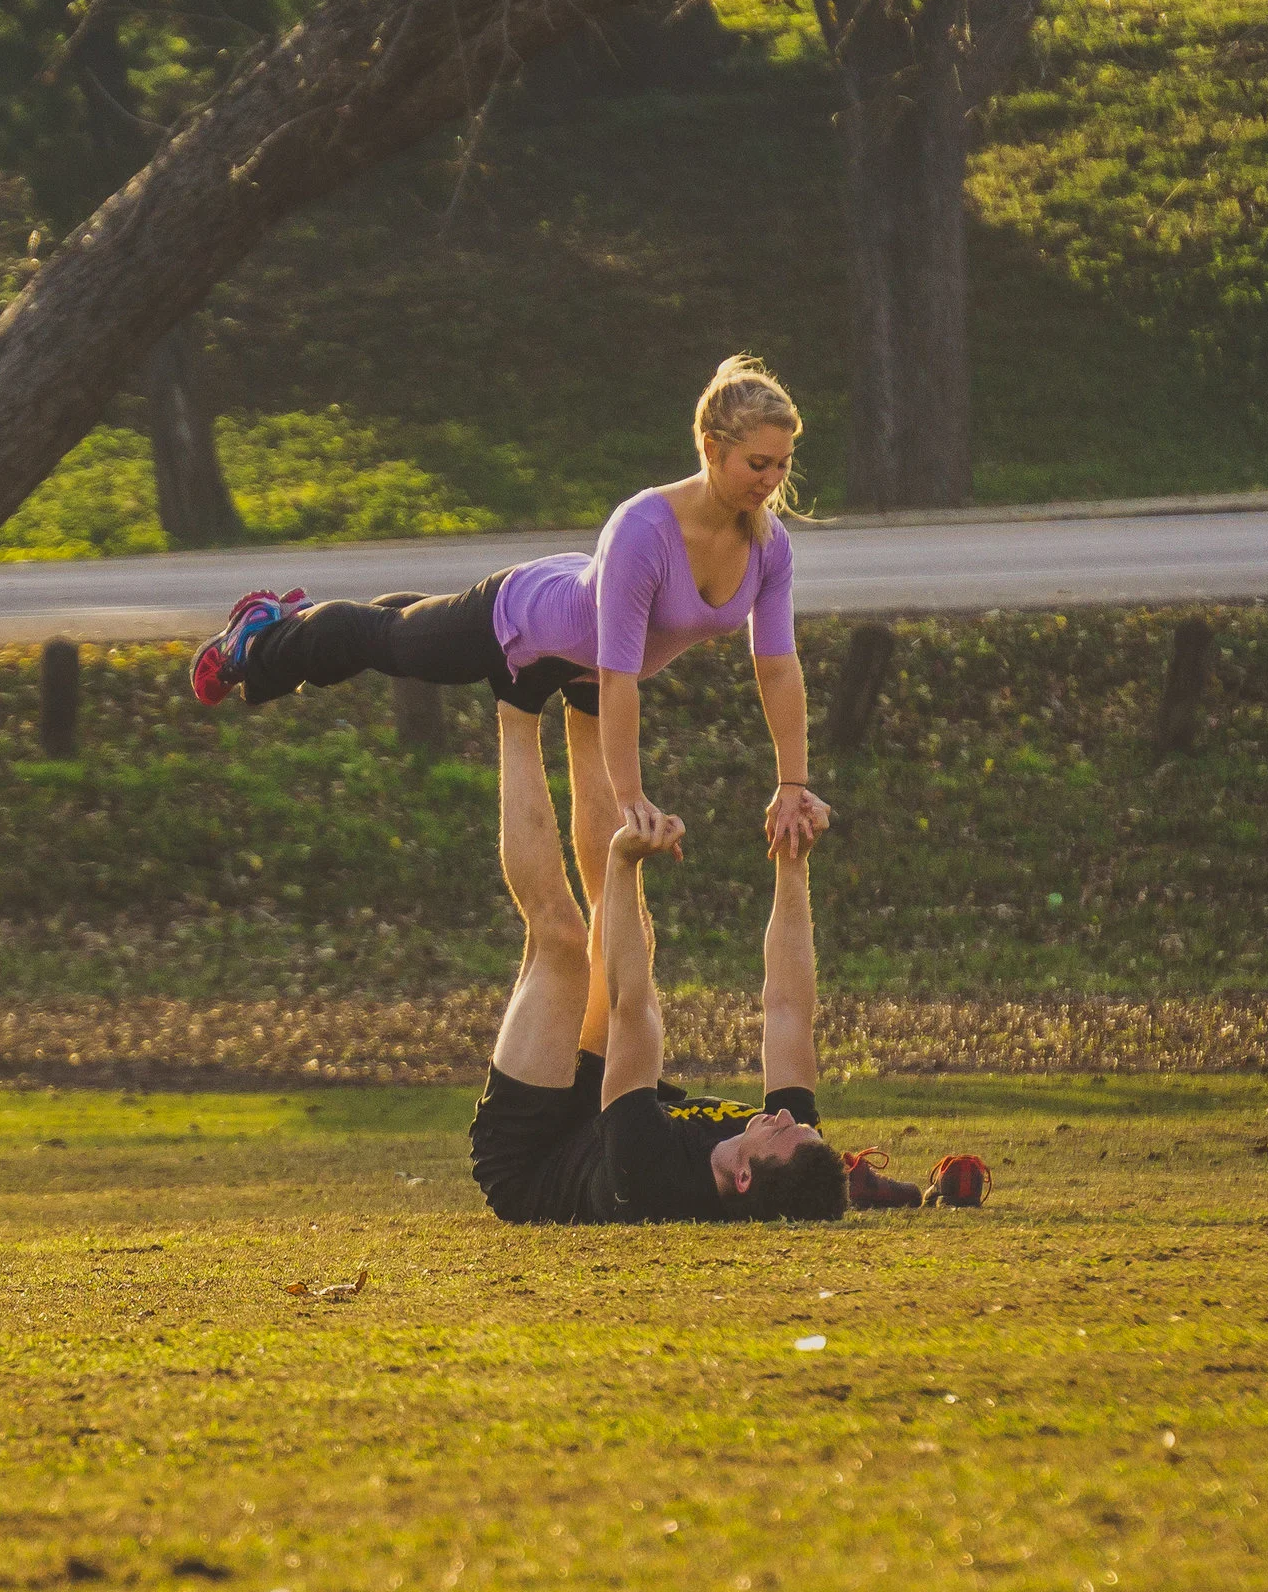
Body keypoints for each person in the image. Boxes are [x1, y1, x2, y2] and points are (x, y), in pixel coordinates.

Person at [188, 355, 831, 859]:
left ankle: (309, 621)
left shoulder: (768, 543)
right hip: (522, 618)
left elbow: (777, 666)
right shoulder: (644, 529)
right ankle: (261, 635)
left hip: (579, 645)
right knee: (387, 640)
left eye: (782, 465)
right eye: (757, 463)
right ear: (712, 448)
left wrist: (792, 784)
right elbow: (619, 676)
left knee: (411, 621)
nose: (772, 481)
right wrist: (632, 798)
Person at [468, 697, 849, 1224]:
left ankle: (517, 700)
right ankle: (589, 701)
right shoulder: (793, 1155)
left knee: (563, 943)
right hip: (602, 1117)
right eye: (797, 1122)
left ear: (744, 1177)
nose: (784, 1114)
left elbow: (632, 1007)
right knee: (628, 930)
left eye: (782, 1129)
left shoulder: (651, 1175)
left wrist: (624, 862)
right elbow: (788, 1007)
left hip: (530, 1157)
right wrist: (794, 858)